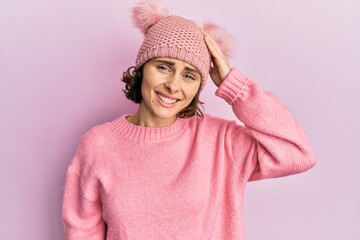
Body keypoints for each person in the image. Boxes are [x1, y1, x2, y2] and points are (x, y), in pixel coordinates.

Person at [62, 1, 316, 239]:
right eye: (163, 67)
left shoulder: (221, 142)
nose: (173, 85)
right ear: (142, 68)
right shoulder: (99, 144)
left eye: (189, 75)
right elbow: (83, 233)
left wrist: (233, 86)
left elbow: (296, 153)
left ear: (198, 87)